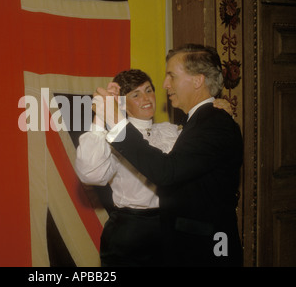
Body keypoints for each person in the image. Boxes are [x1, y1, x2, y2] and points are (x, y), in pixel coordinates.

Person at [94, 44, 243, 267]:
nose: (165, 84)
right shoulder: (200, 121)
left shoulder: (214, 123)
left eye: (171, 76)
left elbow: (166, 171)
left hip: (208, 248)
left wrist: (116, 123)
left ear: (197, 81)